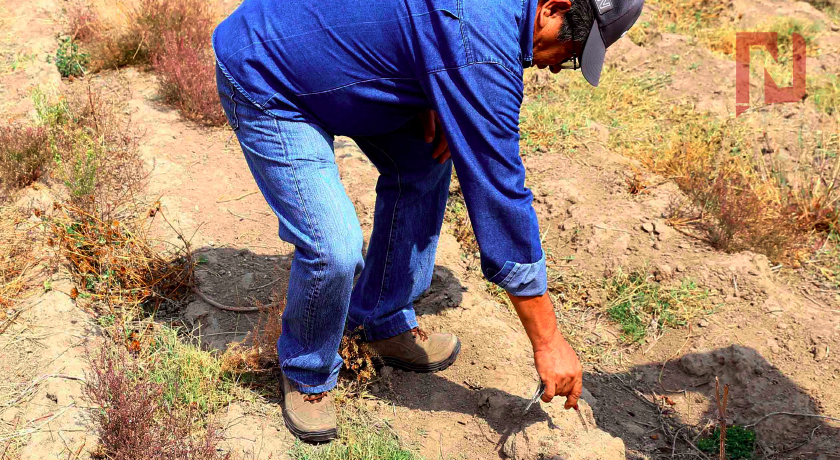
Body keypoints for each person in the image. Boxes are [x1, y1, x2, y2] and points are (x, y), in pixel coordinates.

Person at [212, 0, 644, 442]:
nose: (555, 67)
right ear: (553, 8)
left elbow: (412, 22)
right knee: (334, 249)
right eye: (569, 53)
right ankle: (307, 371)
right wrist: (548, 341)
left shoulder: (479, 31)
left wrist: (428, 78)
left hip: (330, 62)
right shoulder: (480, 44)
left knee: (425, 158)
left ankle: (379, 321)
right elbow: (499, 193)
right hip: (268, 75)